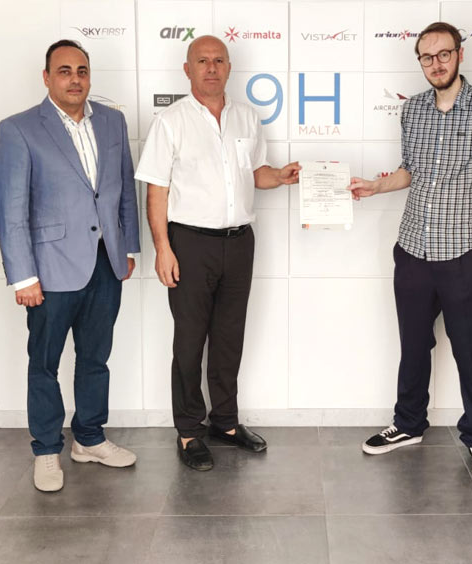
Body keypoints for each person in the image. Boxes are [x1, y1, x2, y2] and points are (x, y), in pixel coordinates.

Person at [348, 21, 472, 480]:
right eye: (427, 57)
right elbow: (410, 171)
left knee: (470, 351)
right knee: (414, 345)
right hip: (413, 249)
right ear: (420, 61)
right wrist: (376, 186)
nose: (436, 63)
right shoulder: (414, 109)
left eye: (444, 54)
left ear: (460, 55)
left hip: (463, 254)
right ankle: (408, 424)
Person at [135, 35, 300, 471]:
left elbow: (256, 174)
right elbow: (156, 191)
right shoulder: (170, 121)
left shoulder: (247, 117)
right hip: (189, 244)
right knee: (190, 341)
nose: (211, 68)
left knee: (229, 338)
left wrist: (281, 176)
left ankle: (225, 422)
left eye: (219, 61)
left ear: (229, 67)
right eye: (202, 61)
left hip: (239, 242)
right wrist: (163, 248)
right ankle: (189, 430)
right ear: (187, 69)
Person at [0, 39, 140, 492]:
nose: (74, 79)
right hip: (49, 269)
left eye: (81, 70)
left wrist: (128, 248)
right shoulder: (19, 129)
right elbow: (10, 209)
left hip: (105, 264)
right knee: (45, 363)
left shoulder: (113, 121)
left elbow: (123, 189)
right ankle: (45, 450)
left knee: (95, 358)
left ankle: (89, 438)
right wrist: (23, 275)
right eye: (64, 71)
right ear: (46, 77)